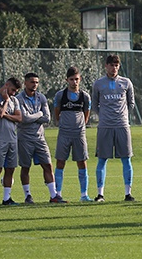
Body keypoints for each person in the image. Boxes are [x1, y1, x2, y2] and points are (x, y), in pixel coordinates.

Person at [92, 55, 135, 202]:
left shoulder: (126, 82)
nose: (114, 68)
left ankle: (128, 193)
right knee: (102, 160)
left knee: (126, 159)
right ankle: (100, 194)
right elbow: (95, 104)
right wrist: (104, 116)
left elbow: (131, 103)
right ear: (106, 66)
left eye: (116, 65)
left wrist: (122, 116)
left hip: (122, 125)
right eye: (111, 65)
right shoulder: (98, 84)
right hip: (105, 126)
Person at [16, 73, 63, 203]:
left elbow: (47, 118)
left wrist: (34, 116)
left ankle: (54, 195)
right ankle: (27, 195)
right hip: (24, 137)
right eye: (32, 82)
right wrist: (39, 114)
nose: (34, 85)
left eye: (36, 82)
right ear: (25, 83)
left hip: (40, 137)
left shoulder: (41, 97)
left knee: (48, 165)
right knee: (25, 167)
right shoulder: (19, 99)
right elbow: (24, 119)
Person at [54, 67, 91, 202]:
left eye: (76, 79)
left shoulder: (85, 96)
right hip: (64, 133)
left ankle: (84, 194)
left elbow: (87, 112)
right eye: (71, 79)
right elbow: (56, 112)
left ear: (80, 79)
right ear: (66, 80)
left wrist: (81, 125)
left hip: (79, 134)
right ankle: (57, 193)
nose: (74, 82)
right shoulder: (60, 95)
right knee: (60, 162)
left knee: (82, 162)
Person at [0, 78, 22, 206]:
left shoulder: (15, 100)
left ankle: (7, 198)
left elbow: (19, 118)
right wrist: (6, 101)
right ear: (6, 85)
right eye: (12, 90)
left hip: (12, 138)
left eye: (16, 91)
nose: (13, 93)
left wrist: (7, 115)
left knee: (10, 169)